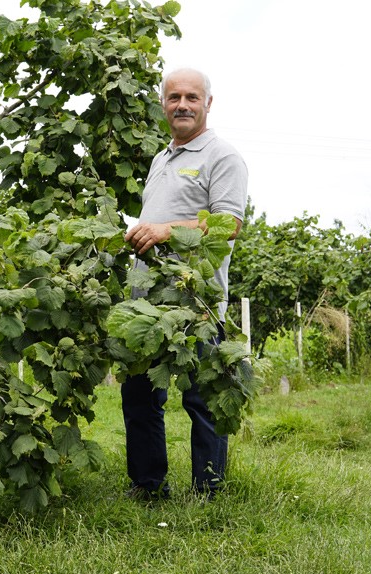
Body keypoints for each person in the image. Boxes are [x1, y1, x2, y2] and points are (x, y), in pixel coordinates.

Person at [122, 68, 248, 501]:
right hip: (149, 302)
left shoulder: (222, 156)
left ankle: (208, 492)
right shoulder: (161, 159)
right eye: (174, 97)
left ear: (208, 104)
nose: (182, 105)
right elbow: (152, 223)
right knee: (140, 395)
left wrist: (163, 231)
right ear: (163, 104)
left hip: (196, 301)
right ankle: (147, 486)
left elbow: (228, 225)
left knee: (205, 398)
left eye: (192, 97)